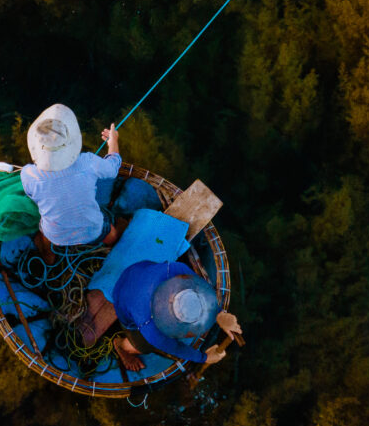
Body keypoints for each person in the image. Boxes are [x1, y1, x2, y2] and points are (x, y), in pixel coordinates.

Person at [20, 104, 123, 256]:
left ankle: (48, 256)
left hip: (55, 235)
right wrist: (113, 141)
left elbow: (33, 196)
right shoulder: (88, 162)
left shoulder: (28, 174)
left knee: (44, 233)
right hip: (92, 232)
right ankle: (111, 244)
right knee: (112, 233)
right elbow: (113, 168)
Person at [110, 260, 244, 372]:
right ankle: (120, 345)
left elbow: (197, 284)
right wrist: (204, 357)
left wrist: (220, 314)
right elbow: (176, 348)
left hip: (135, 271)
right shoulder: (149, 328)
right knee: (144, 347)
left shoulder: (173, 269)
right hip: (122, 302)